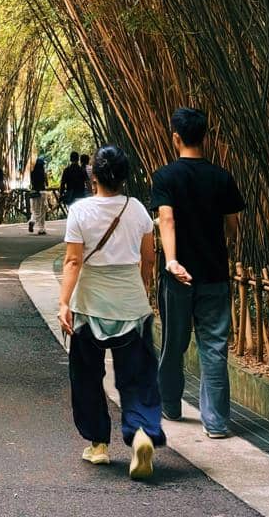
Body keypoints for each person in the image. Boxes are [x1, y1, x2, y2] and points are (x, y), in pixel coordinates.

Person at [58, 145, 163, 479]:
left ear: (95, 177)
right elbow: (149, 259)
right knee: (138, 376)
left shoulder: (80, 211)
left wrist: (64, 303)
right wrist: (141, 289)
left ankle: (99, 444)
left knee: (87, 375)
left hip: (90, 306)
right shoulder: (138, 211)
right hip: (131, 304)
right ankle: (142, 433)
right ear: (124, 177)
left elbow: (73, 261)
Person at [151, 107, 245, 439]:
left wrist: (172, 260)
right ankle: (216, 423)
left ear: (176, 138)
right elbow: (233, 226)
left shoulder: (165, 176)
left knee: (174, 343)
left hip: (178, 277)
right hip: (214, 273)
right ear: (205, 137)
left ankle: (170, 405)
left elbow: (166, 219)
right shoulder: (222, 177)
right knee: (214, 347)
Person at [28, 157, 49, 235]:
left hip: (34, 192)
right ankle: (41, 229)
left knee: (34, 210)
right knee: (42, 211)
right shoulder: (43, 173)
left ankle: (32, 221)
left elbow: (32, 183)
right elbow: (47, 184)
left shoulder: (32, 173)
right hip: (42, 192)